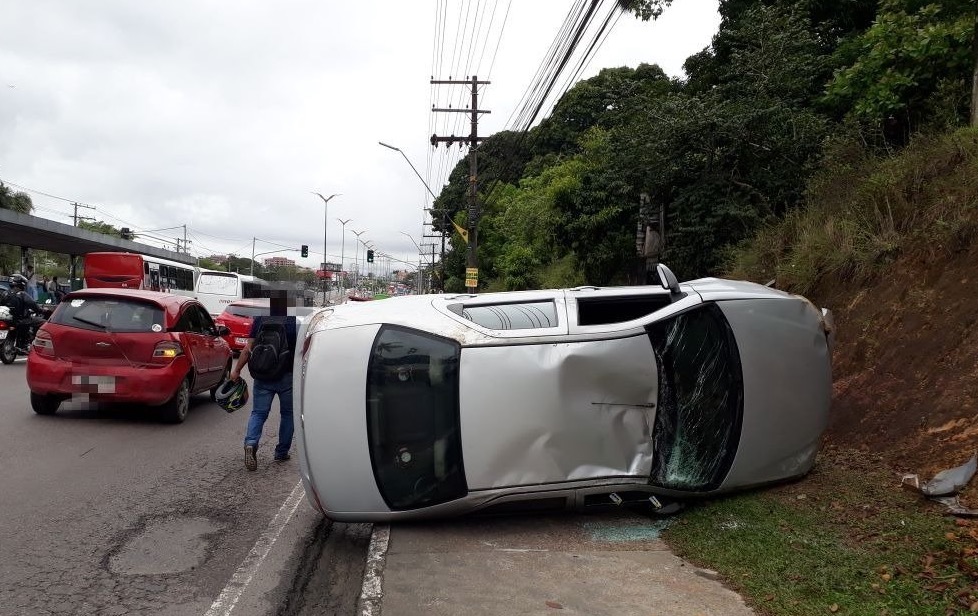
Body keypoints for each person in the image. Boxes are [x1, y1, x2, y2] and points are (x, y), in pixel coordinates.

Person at [229, 292, 298, 471]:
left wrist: (237, 370)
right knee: (288, 414)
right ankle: (281, 452)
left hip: (263, 374)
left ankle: (251, 443)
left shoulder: (261, 320)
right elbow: (302, 351)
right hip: (287, 376)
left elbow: (247, 349)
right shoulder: (294, 322)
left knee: (258, 413)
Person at [3, 274, 43, 353]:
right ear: (21, 284)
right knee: (42, 322)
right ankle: (31, 343)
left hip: (8, 319)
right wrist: (40, 310)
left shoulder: (5, 293)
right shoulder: (22, 294)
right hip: (21, 320)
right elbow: (33, 305)